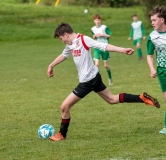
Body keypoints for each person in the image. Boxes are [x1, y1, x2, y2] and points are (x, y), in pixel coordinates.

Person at [47, 22, 160, 141]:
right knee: (111, 99)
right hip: (94, 77)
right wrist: (51, 65)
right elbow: (64, 55)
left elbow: (103, 46)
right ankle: (141, 98)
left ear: (65, 34)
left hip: (88, 81)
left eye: (61, 38)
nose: (62, 41)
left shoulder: (83, 39)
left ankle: (62, 134)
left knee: (64, 107)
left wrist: (122, 50)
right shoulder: (70, 44)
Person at [146, 5, 166, 133]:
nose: (152, 23)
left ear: (162, 20)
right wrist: (152, 69)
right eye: (151, 20)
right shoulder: (152, 37)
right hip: (162, 71)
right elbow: (149, 55)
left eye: (154, 20)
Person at [91, 14, 113, 85]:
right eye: (96, 20)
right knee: (96, 65)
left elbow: (110, 35)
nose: (97, 21)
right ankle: (98, 81)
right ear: (94, 21)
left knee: (105, 65)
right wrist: (94, 36)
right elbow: (93, 36)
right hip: (97, 48)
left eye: (98, 20)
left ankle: (110, 78)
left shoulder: (104, 27)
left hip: (104, 47)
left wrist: (103, 35)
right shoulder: (93, 29)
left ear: (100, 20)